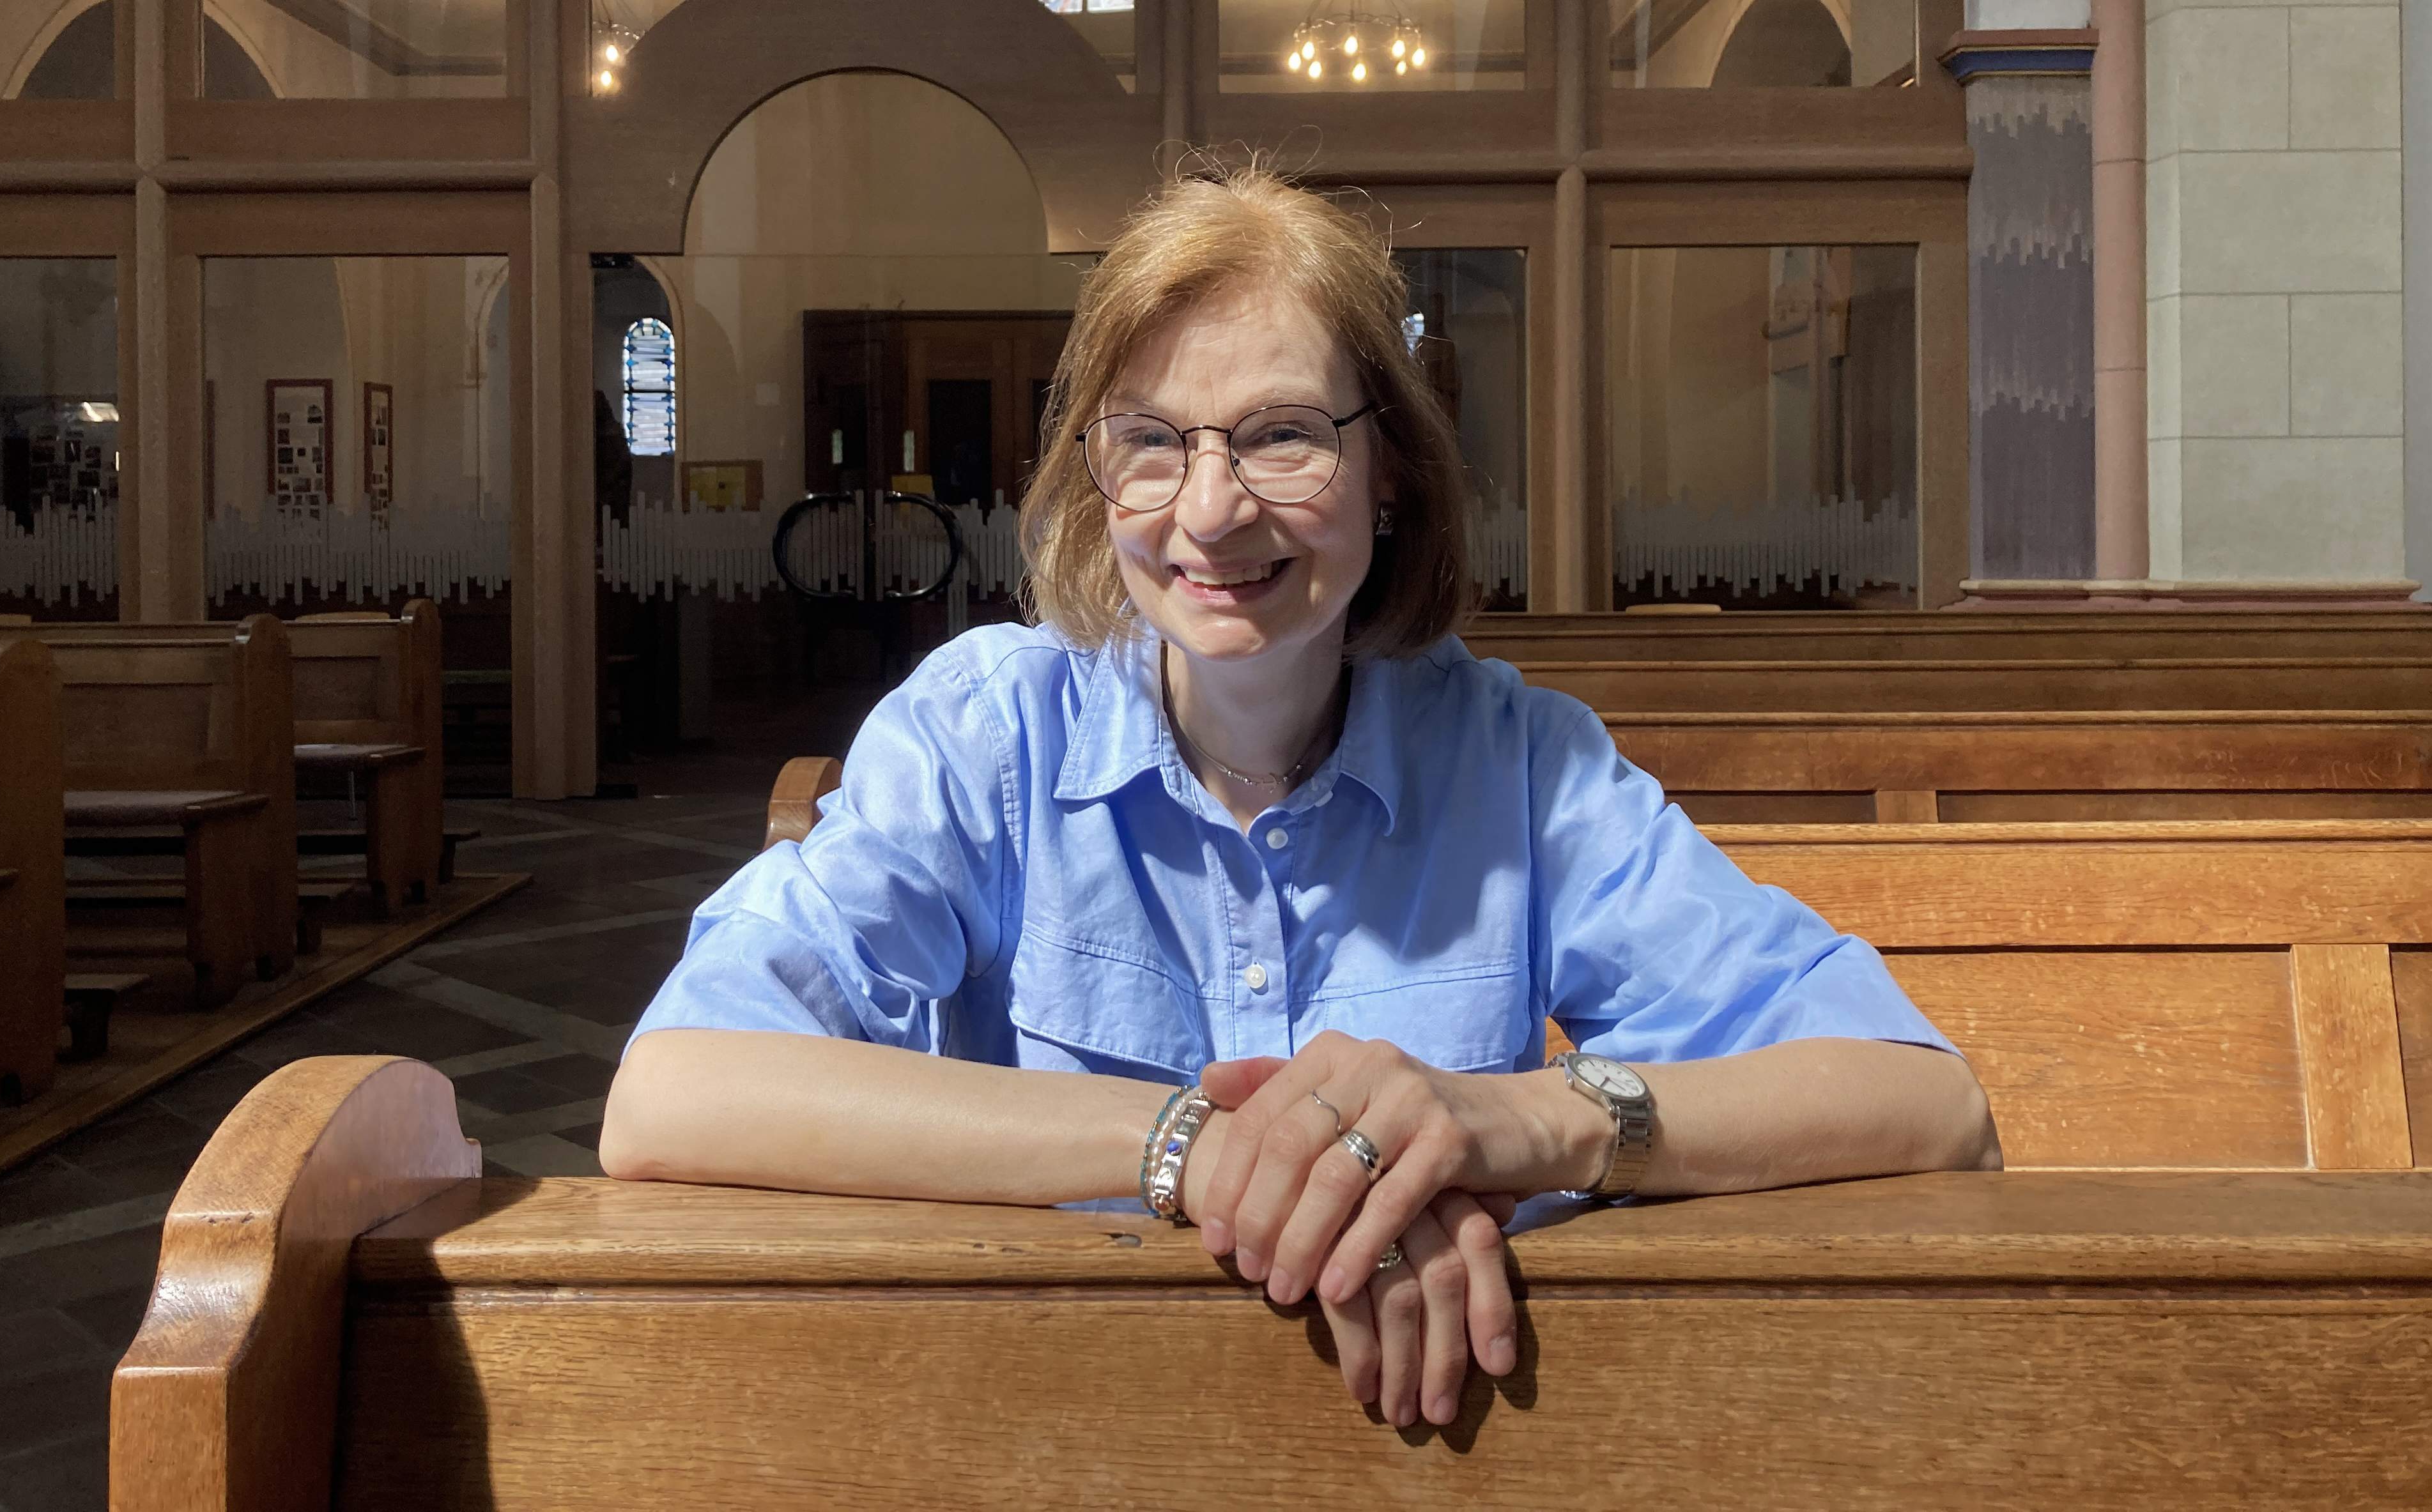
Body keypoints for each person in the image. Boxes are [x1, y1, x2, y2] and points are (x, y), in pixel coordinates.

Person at [600, 165, 2000, 1431]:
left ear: (1387, 467)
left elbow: (1927, 1105)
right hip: (1048, 1430)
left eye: (1281, 435)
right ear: (1098, 472)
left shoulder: (1521, 762)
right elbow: (673, 1094)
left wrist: (1531, 1122)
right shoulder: (988, 732)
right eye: (1153, 438)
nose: (1209, 511)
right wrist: (1192, 1149)